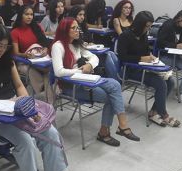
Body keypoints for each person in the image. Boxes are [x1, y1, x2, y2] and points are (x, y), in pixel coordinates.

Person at [0, 25, 84, 171]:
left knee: (50, 132)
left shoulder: (8, 61)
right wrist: (12, 104)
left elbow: (19, 86)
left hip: (15, 108)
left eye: (5, 46)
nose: (1, 50)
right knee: (25, 140)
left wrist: (27, 107)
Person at [51, 18, 140, 146]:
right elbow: (58, 72)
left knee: (115, 85)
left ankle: (121, 125)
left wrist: (89, 65)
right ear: (65, 30)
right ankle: (109, 131)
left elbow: (94, 57)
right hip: (71, 86)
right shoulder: (58, 46)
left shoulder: (76, 44)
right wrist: (80, 71)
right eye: (73, 28)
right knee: (112, 96)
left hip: (84, 80)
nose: (77, 30)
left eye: (78, 28)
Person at [116, 11, 180, 127]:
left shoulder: (143, 35)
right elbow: (122, 57)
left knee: (170, 82)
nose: (149, 29)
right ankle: (164, 114)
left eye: (150, 26)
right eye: (147, 26)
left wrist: (152, 58)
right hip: (130, 70)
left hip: (144, 68)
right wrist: (141, 58)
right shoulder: (125, 36)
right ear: (139, 25)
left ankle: (154, 112)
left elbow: (146, 52)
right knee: (161, 84)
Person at [10, 5, 53, 102]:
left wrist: (45, 49)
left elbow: (45, 43)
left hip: (40, 59)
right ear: (21, 15)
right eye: (26, 14)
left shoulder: (36, 27)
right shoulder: (15, 32)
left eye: (31, 14)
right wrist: (25, 55)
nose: (29, 17)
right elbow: (16, 53)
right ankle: (46, 96)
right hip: (24, 61)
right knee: (35, 71)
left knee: (46, 70)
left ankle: (46, 97)